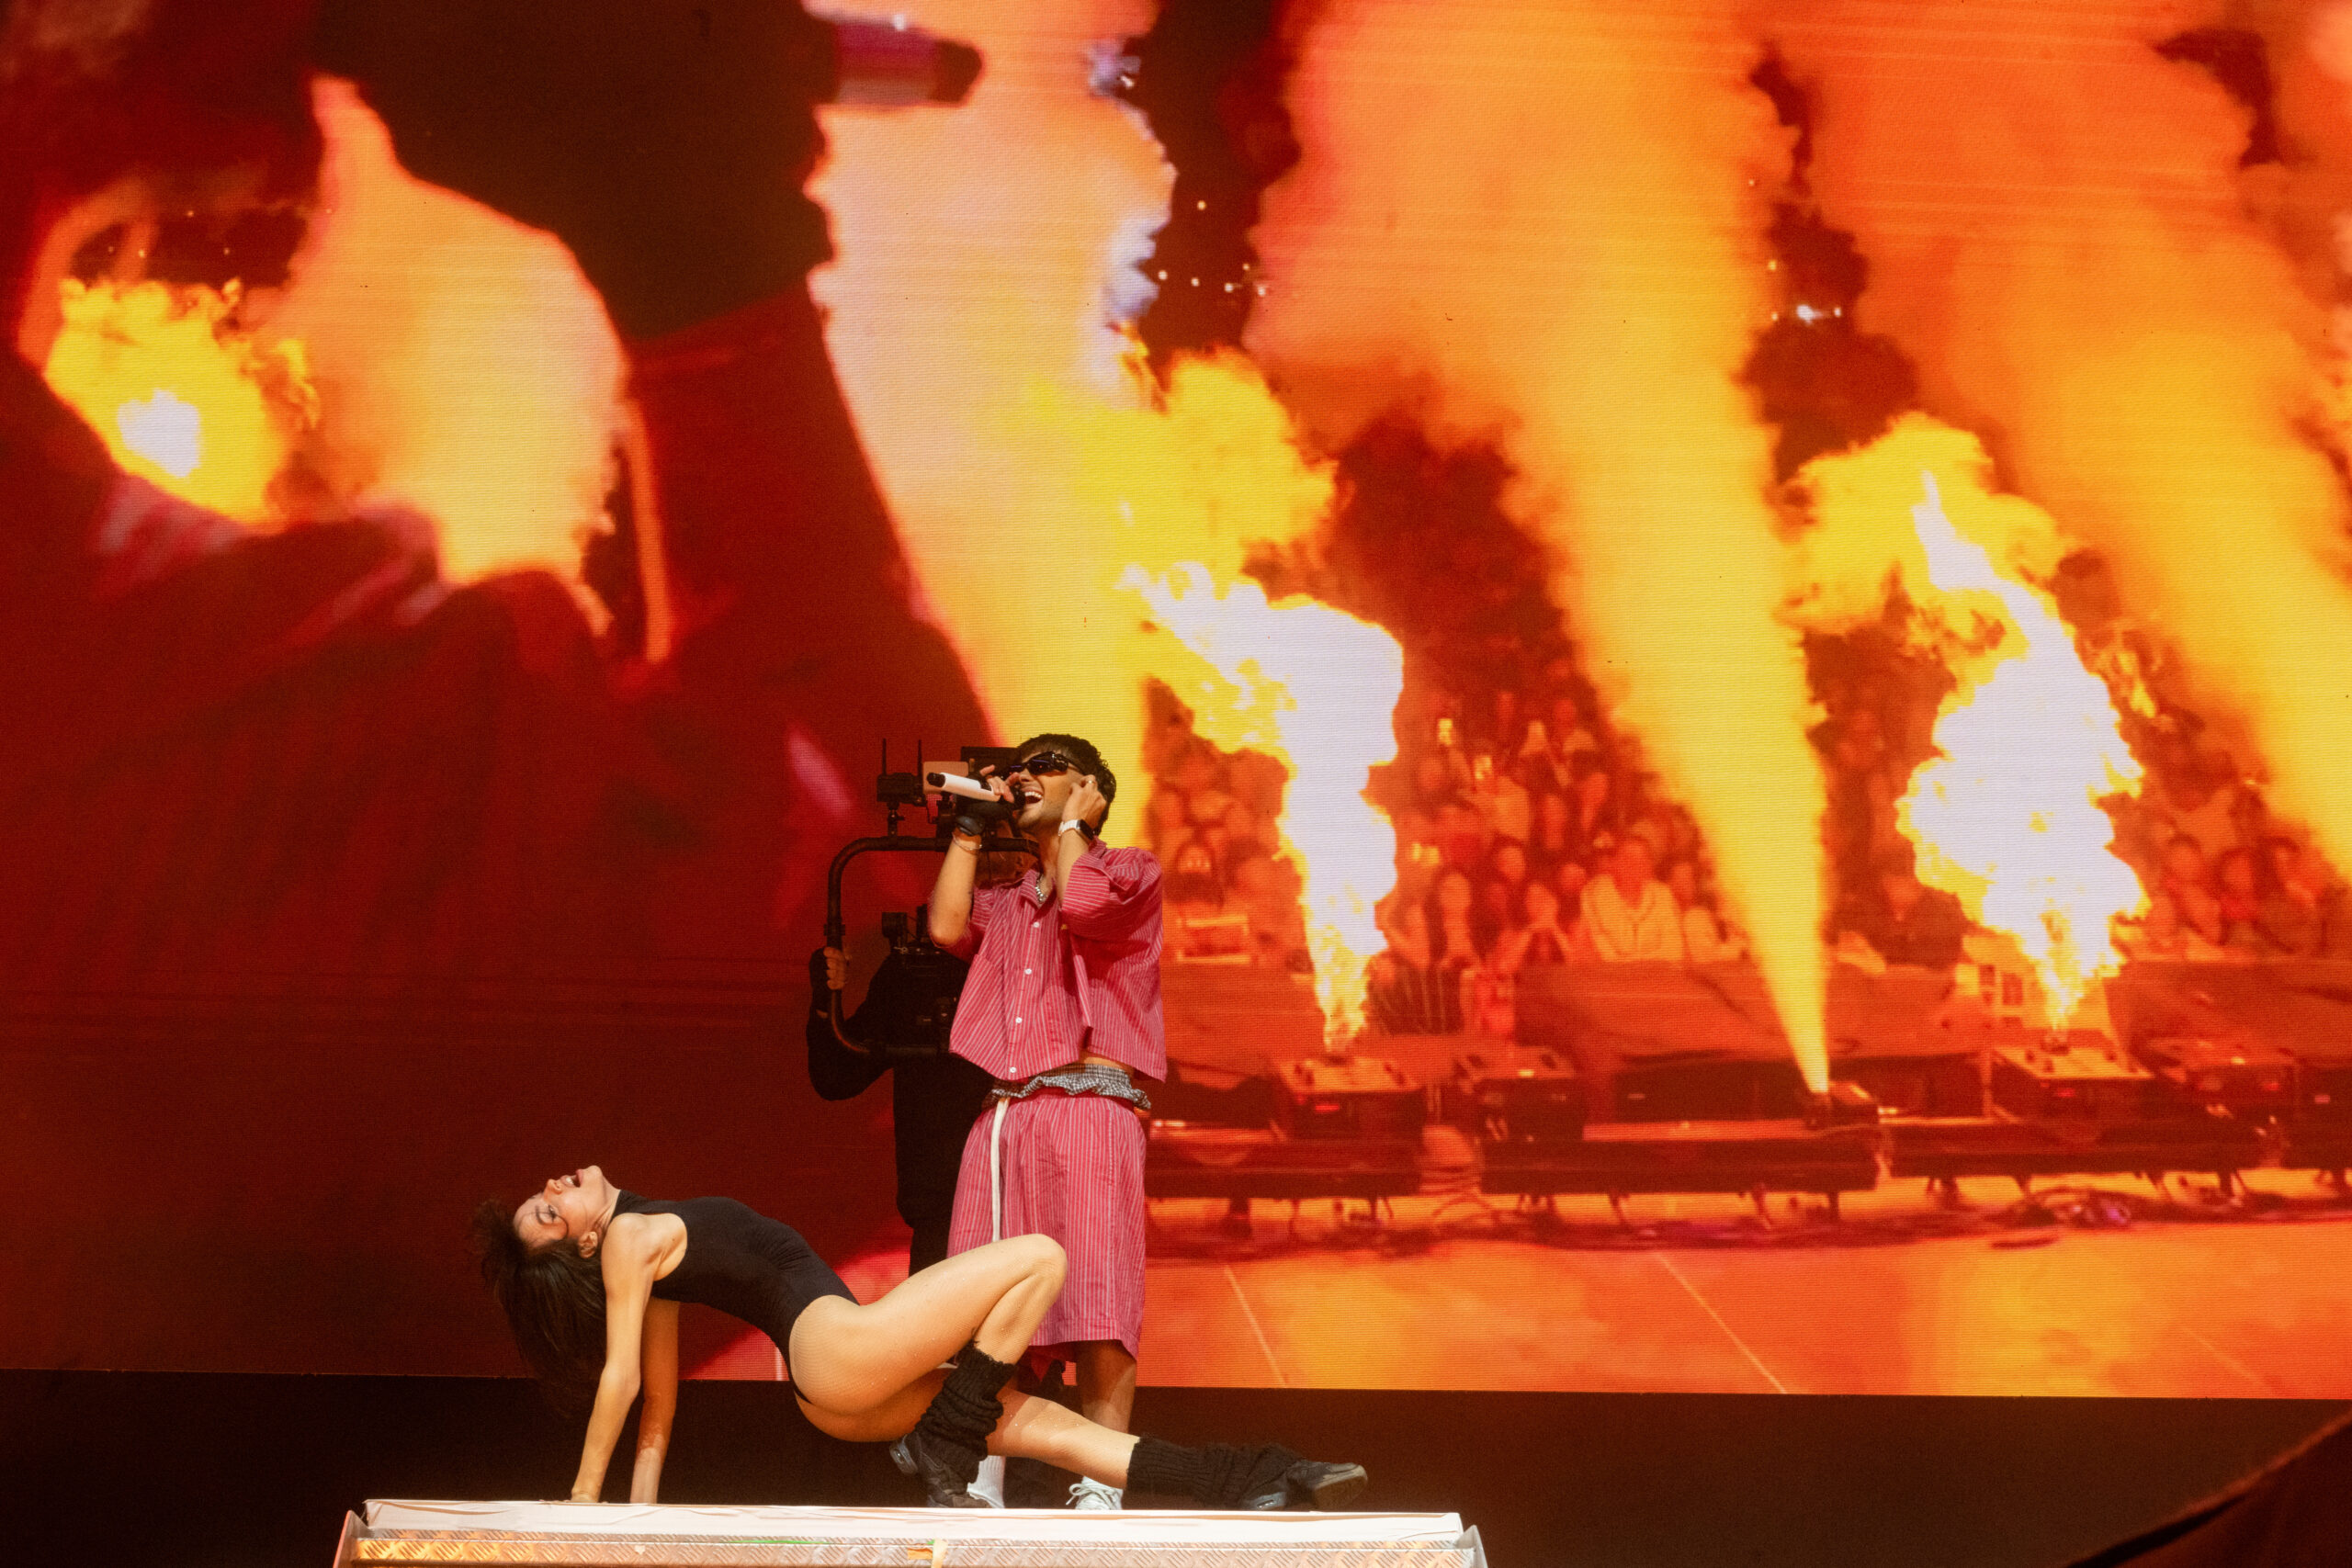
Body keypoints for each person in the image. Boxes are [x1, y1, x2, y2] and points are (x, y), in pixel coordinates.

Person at [474, 1165, 1365, 1510]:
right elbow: (626, 1382)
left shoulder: (646, 1243)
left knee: (1057, 1434)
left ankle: (1256, 1476)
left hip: (835, 1392)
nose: (552, 1188)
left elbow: (660, 1415)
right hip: (838, 1353)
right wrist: (584, 1501)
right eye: (548, 1214)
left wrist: (633, 1528)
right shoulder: (628, 1238)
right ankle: (945, 1443)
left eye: (541, 1196)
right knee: (1041, 1259)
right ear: (583, 1245)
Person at [926, 734, 1160, 1510]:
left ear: (1091, 788)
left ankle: (1101, 1485)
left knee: (1097, 1302)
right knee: (987, 1306)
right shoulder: (1012, 899)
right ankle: (980, 1478)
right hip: (1006, 1114)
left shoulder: (1129, 872)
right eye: (1021, 766)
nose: (1027, 773)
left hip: (1091, 1107)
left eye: (1049, 764)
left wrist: (1075, 829)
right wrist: (969, 825)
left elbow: (1085, 907)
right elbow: (946, 926)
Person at [807, 939, 993, 1274]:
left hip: (1030, 1204)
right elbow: (837, 1075)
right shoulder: (914, 971)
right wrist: (826, 1000)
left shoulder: (1038, 966)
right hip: (941, 1214)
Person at [1580, 831, 1684, 963]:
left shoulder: (1662, 894)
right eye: (1628, 859)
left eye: (1643, 859)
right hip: (1611, 973)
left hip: (1658, 972)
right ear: (1614, 862)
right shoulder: (1595, 893)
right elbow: (1603, 951)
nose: (1635, 866)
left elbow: (1674, 949)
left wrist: (1641, 964)